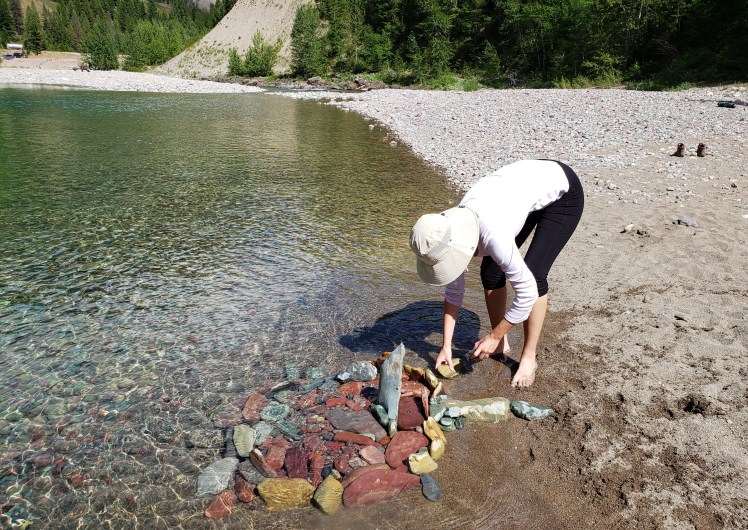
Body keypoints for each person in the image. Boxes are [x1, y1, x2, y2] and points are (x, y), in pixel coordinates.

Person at [409, 159, 584, 387]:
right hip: (519, 192)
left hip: (563, 193)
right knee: (491, 271)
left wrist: (493, 335)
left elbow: (527, 293)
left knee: (534, 274)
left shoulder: (494, 235)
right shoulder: (442, 234)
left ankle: (529, 357)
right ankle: (501, 345)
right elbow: (454, 291)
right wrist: (446, 346)